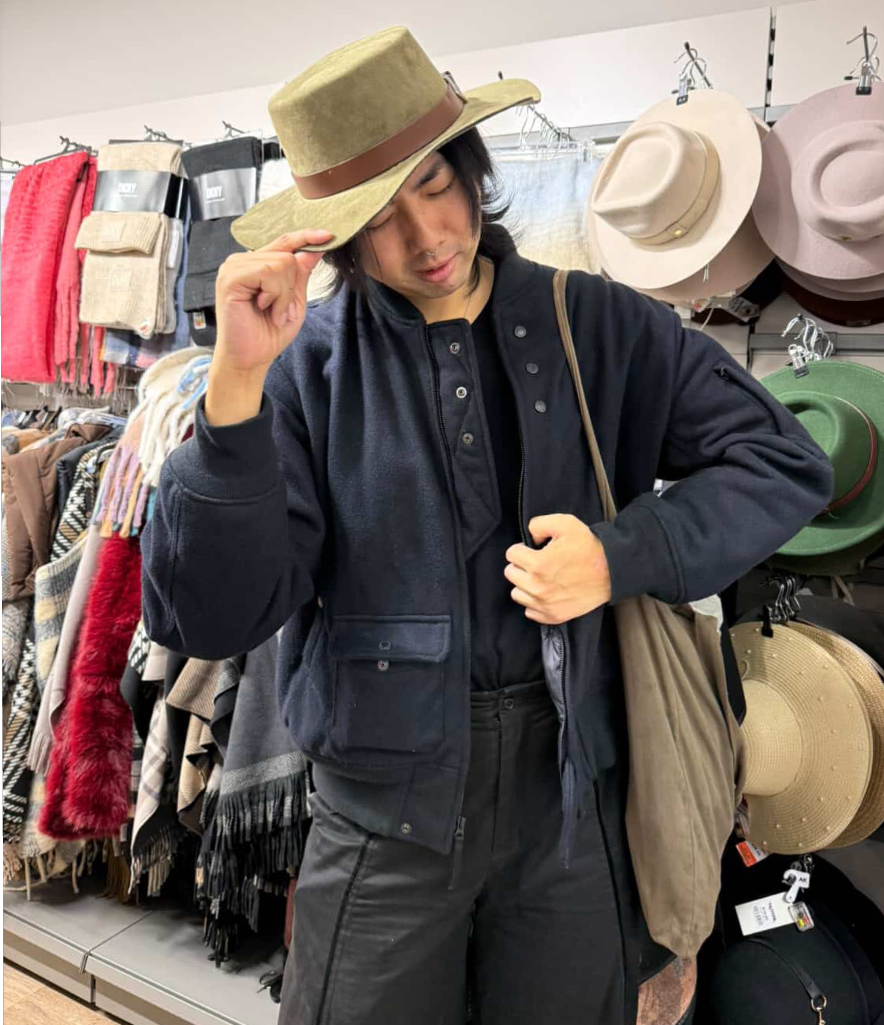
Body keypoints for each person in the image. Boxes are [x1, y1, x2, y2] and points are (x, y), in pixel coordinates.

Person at [141, 27, 833, 1025]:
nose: (425, 236)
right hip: (380, 822)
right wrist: (235, 384)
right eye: (379, 216)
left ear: (470, 167)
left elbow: (782, 462)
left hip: (574, 806)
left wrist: (619, 554)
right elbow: (208, 616)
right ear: (336, 236)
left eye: (434, 184)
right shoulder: (303, 368)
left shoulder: (595, 321)